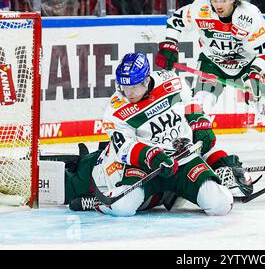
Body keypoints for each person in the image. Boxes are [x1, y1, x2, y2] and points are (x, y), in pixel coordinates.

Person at [155, 0, 265, 175]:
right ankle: (190, 157)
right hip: (213, 64)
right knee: (196, 107)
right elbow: (176, 20)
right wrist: (169, 44)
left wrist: (254, 75)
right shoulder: (200, 8)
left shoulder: (249, 15)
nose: (218, 5)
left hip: (247, 66)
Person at [65, 52, 253, 216]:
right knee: (122, 207)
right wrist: (151, 156)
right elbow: (123, 146)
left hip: (184, 161)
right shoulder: (115, 109)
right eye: (124, 86)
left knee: (220, 204)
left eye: (134, 87)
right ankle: (94, 202)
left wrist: (199, 123)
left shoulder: (171, 80)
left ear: (147, 80)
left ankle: (180, 190)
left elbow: (191, 101)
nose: (128, 93)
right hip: (147, 167)